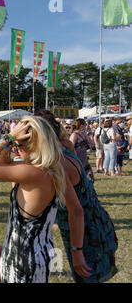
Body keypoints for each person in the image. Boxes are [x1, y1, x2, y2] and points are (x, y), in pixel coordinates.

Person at [0, 116, 66, 283]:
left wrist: (8, 137)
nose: (16, 149)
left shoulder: (34, 174)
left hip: (23, 260)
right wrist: (10, 143)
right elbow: (4, 164)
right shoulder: (46, 170)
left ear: (34, 145)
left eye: (19, 145)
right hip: (31, 254)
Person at [36, 110, 117, 283]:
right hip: (95, 219)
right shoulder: (65, 145)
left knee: (86, 277)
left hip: (84, 231)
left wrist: (76, 251)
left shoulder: (58, 164)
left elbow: (76, 211)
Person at [70, 119, 95, 183]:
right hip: (77, 157)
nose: (86, 126)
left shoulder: (83, 134)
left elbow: (92, 143)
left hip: (84, 158)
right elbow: (71, 147)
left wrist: (90, 133)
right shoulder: (74, 135)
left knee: (89, 176)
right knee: (79, 176)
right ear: (81, 125)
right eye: (85, 125)